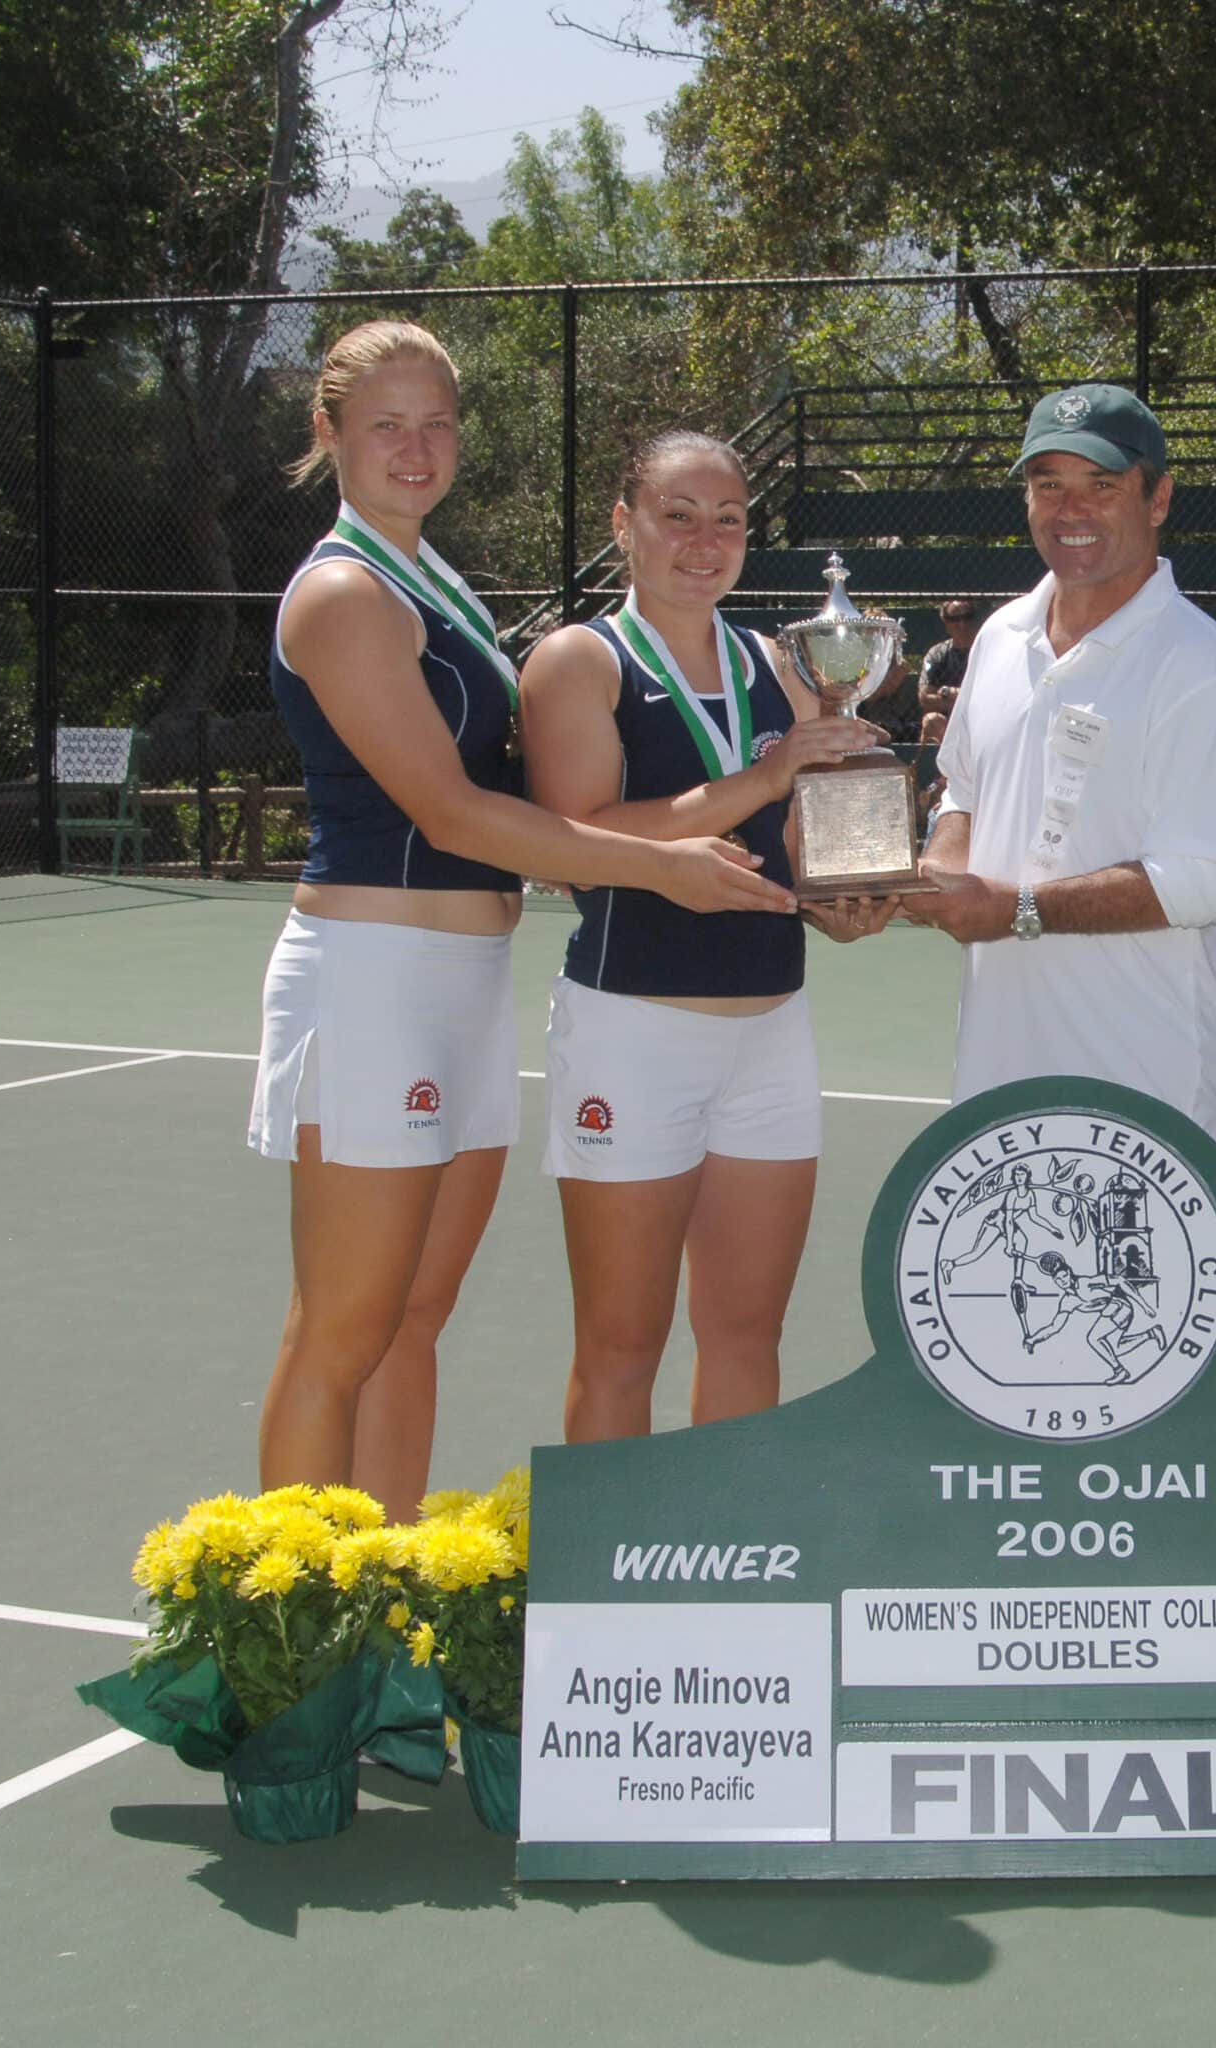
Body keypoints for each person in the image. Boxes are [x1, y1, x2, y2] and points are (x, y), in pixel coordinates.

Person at [248, 322, 790, 1521]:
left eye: (437, 424)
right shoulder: (342, 592)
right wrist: (656, 866)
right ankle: (293, 1612)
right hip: (373, 970)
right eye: (386, 425)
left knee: (413, 1317)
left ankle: (387, 1578)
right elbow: (450, 808)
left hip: (464, 976)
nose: (417, 448)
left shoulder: (430, 582)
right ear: (328, 433)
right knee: (341, 1326)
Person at [518, 428, 886, 1439]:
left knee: (745, 1334)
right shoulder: (580, 660)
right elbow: (573, 837)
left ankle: (733, 1537)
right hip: (632, 1028)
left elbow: (797, 841)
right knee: (620, 1346)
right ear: (624, 524)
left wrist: (845, 897)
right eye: (677, 515)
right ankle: (611, 1546)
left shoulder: (781, 662)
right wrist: (762, 777)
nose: (704, 540)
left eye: (727, 520)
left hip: (771, 1030)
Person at [905, 385, 1216, 1156]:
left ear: (1157, 499)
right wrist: (938, 868)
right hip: (998, 1078)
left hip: (1146, 1090)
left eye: (1101, 485)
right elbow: (963, 789)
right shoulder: (999, 636)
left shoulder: (1201, 666)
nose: (1071, 510)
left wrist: (1015, 909)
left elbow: (1206, 880)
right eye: (1049, 485)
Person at [916, 598, 978, 743]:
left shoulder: (985, 650)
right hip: (948, 722)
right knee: (931, 721)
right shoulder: (937, 653)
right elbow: (925, 698)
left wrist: (948, 693)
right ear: (946, 622)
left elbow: (989, 696)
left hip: (981, 716)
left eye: (967, 617)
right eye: (955, 619)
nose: (962, 624)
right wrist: (965, 701)